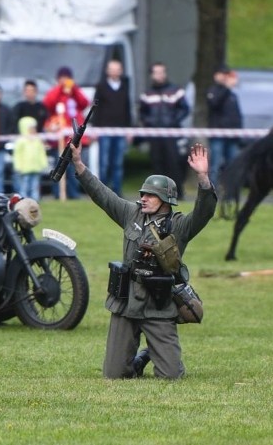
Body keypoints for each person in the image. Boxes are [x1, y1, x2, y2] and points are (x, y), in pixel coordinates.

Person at [70, 141, 216, 379]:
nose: (144, 198)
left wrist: (203, 177)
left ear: (166, 199)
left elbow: (204, 212)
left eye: (151, 195)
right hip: (126, 302)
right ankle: (137, 361)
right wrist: (78, 164)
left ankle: (157, 354)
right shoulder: (131, 213)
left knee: (170, 376)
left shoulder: (179, 226)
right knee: (114, 375)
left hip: (158, 304)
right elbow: (103, 195)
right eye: (143, 194)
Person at [139, 62, 190, 200]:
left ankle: (178, 193)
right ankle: (158, 195)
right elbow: (142, 113)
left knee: (173, 164)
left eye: (161, 72)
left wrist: (173, 121)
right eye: (156, 72)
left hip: (171, 134)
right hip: (154, 135)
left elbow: (185, 109)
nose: (159, 75)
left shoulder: (176, 91)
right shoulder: (147, 94)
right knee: (157, 164)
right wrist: (149, 122)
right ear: (152, 75)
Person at [43, 67, 91, 199]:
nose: (65, 81)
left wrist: (74, 89)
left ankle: (73, 194)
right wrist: (60, 88)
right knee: (59, 166)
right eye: (62, 78)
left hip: (73, 137)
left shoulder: (74, 93)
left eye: (67, 79)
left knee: (73, 167)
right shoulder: (55, 92)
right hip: (59, 138)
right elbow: (48, 103)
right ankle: (57, 193)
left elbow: (85, 103)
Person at [93, 59, 133, 196]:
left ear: (121, 71)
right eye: (112, 69)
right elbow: (96, 109)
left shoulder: (125, 86)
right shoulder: (101, 86)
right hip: (104, 130)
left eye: (117, 69)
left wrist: (129, 129)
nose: (115, 71)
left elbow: (127, 109)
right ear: (107, 71)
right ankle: (103, 191)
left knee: (118, 163)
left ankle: (117, 191)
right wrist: (95, 129)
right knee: (104, 163)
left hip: (121, 130)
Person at [206, 65, 243, 185]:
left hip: (232, 136)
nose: (224, 78)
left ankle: (230, 189)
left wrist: (239, 133)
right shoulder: (213, 91)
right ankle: (212, 190)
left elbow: (236, 116)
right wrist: (226, 88)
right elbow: (215, 104)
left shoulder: (232, 95)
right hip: (218, 135)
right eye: (222, 74)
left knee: (233, 164)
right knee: (215, 164)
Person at [12, 116, 47, 199]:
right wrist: (18, 166)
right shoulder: (21, 141)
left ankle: (35, 200)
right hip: (24, 169)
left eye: (34, 128)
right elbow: (17, 155)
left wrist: (43, 163)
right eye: (31, 128)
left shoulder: (37, 140)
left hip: (36, 168)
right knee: (24, 186)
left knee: (35, 186)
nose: (33, 130)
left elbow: (41, 153)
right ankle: (24, 200)